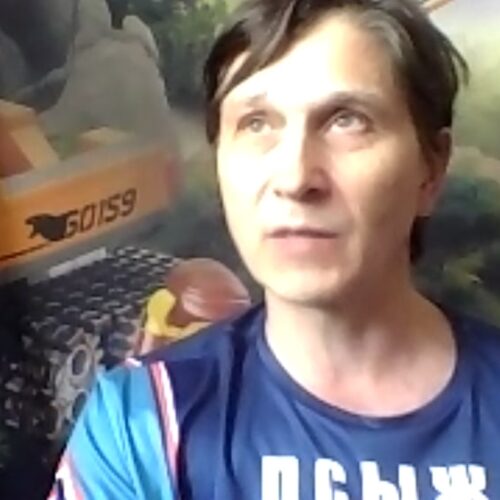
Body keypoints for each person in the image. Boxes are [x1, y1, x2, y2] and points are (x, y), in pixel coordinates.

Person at [48, 0, 500, 498]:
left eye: (347, 120)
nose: (295, 178)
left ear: (431, 169)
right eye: (257, 123)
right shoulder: (141, 421)